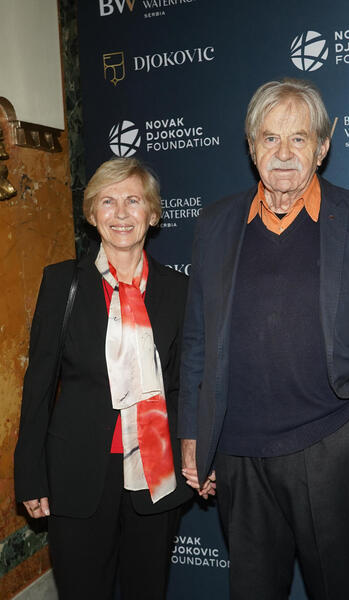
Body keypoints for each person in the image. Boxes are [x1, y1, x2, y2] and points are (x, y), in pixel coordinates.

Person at [179, 78, 349, 600]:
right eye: (270, 138)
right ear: (251, 146)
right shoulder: (216, 224)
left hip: (327, 447)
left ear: (323, 146)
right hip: (237, 455)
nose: (284, 153)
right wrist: (193, 436)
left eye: (299, 138)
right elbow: (198, 339)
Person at [14, 158, 192, 600]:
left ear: (153, 214)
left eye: (134, 200)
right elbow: (38, 386)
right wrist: (30, 474)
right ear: (92, 215)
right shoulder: (62, 283)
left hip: (156, 472)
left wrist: (198, 457)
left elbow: (185, 385)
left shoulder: (178, 290)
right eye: (108, 202)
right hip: (77, 474)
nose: (121, 213)